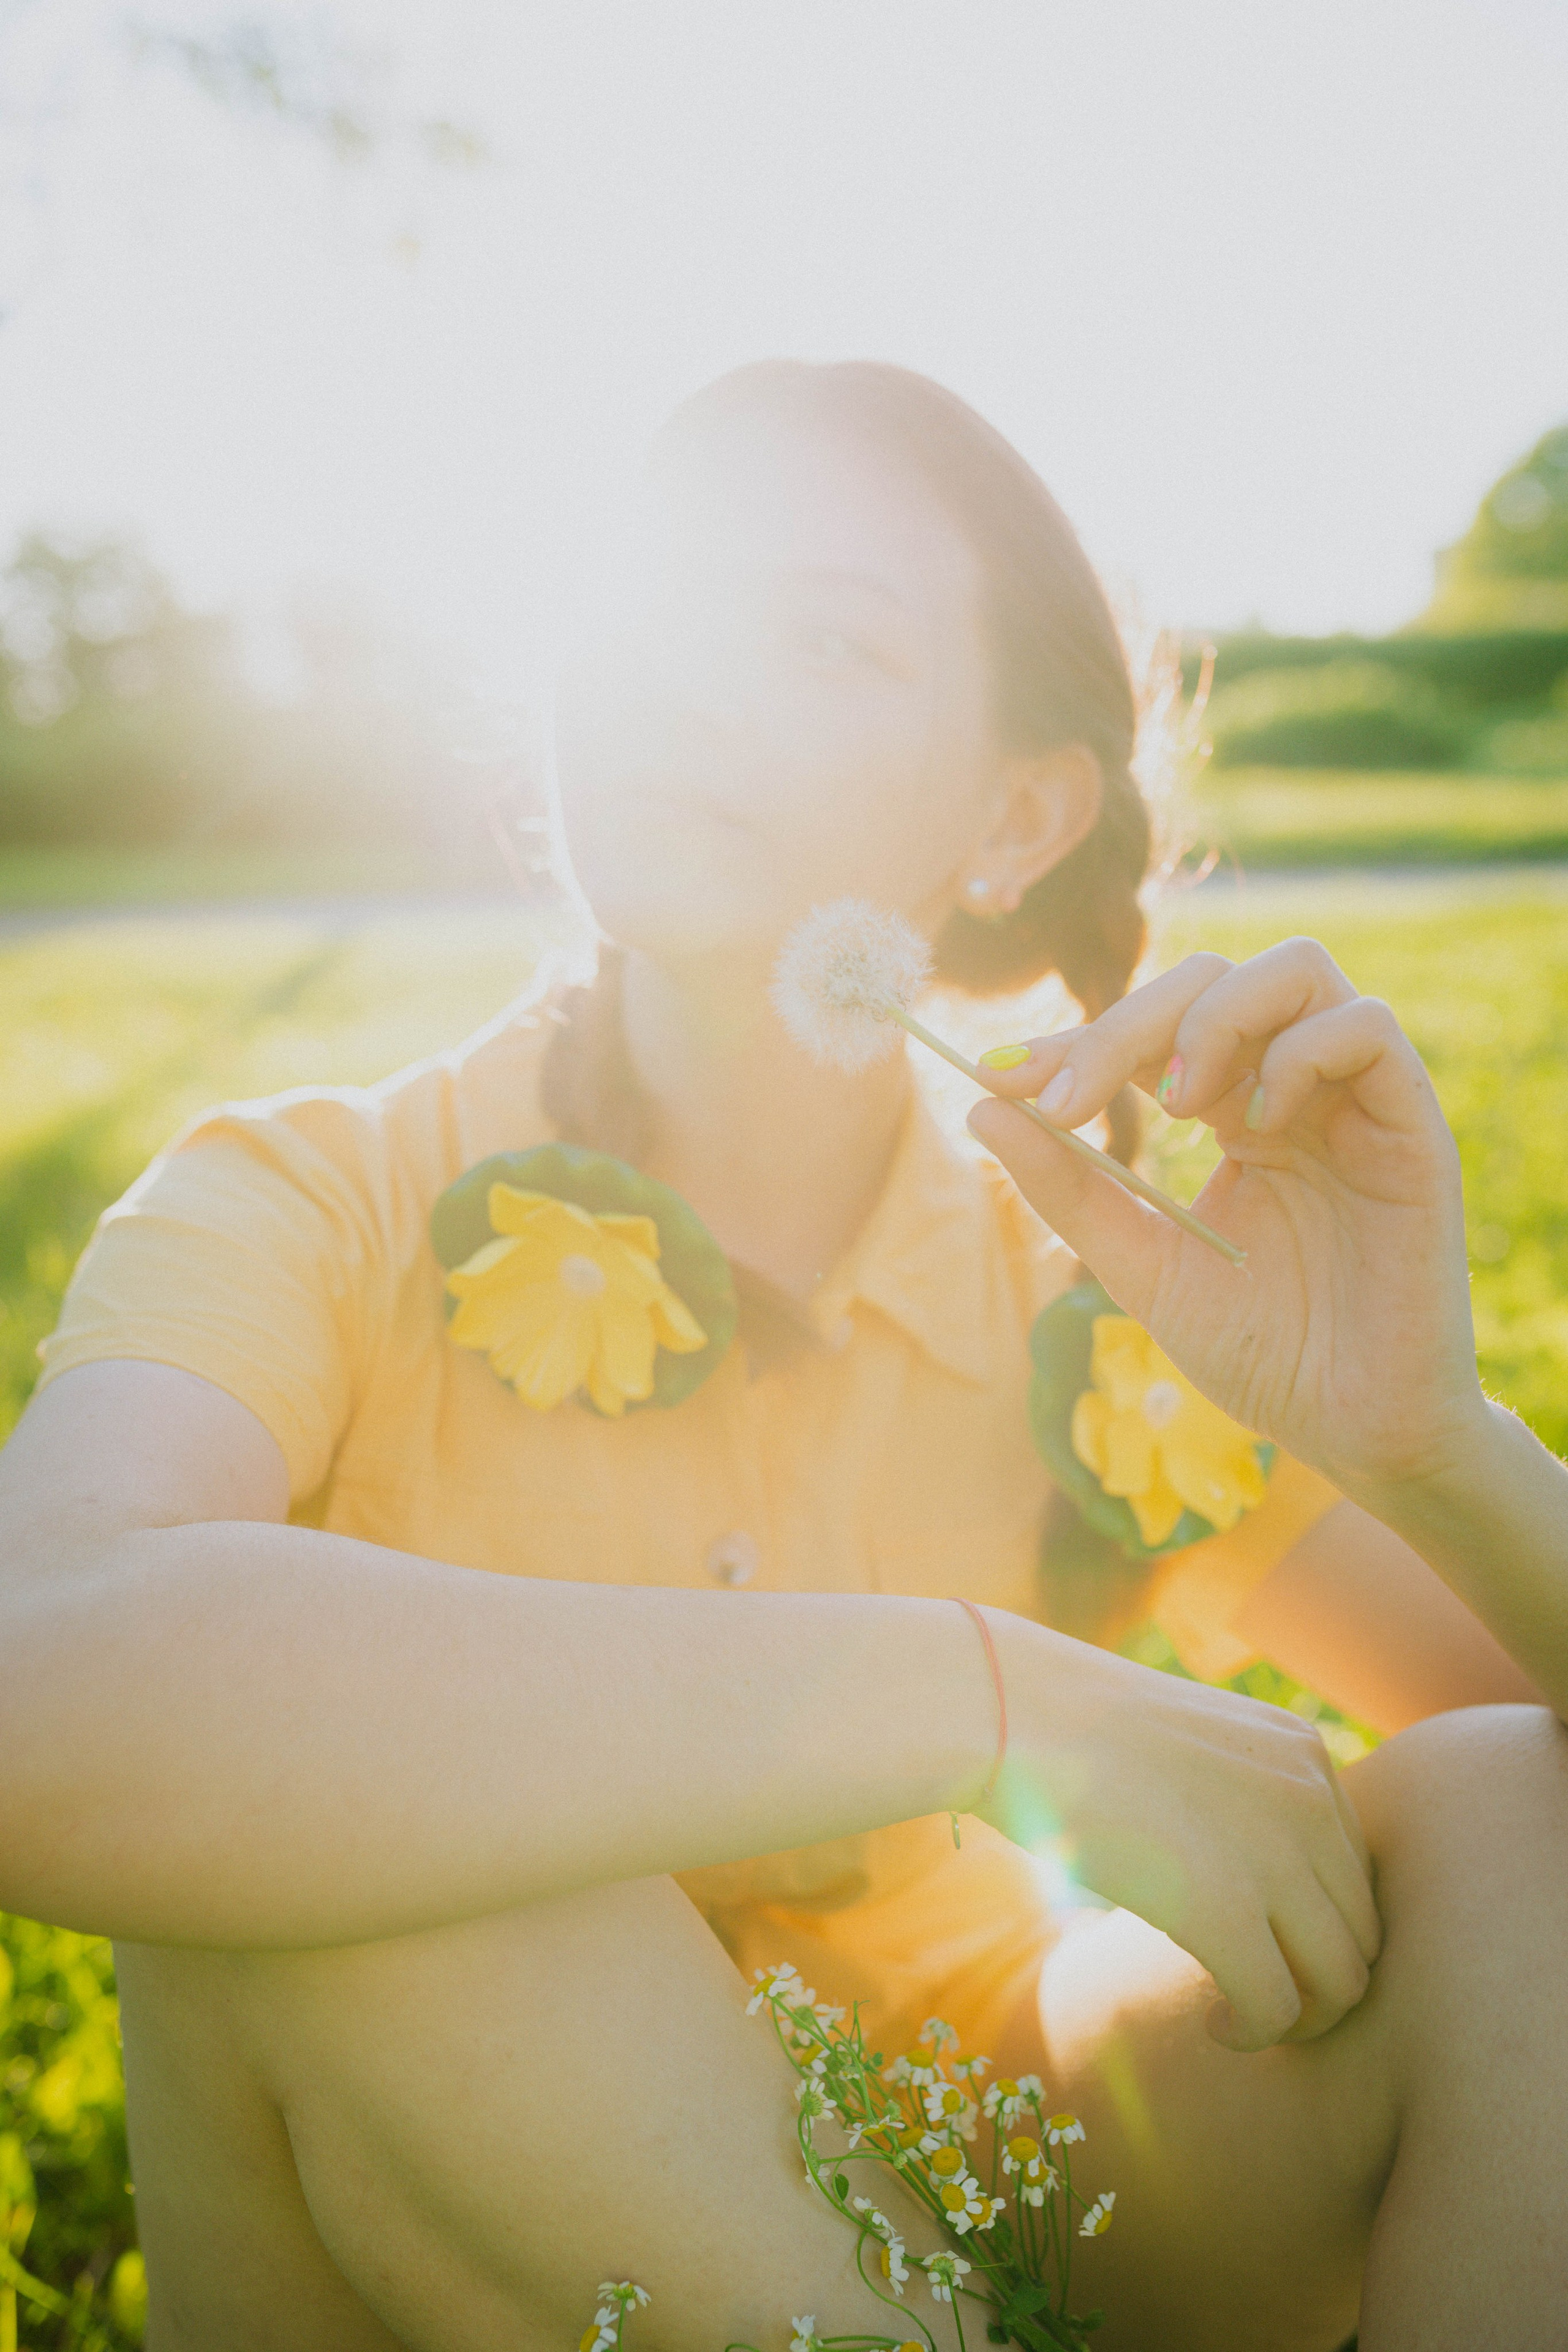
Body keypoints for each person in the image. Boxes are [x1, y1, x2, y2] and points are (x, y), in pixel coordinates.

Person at [1, 361, 1564, 2352]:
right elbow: (35, 1669)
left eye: (826, 635)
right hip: (432, 2195)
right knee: (374, 1831)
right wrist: (973, 1697)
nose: (694, 682)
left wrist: (1434, 1438)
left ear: (1014, 816)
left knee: (1518, 1819)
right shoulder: (311, 1201)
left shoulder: (1084, 1294)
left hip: (1018, 2161)